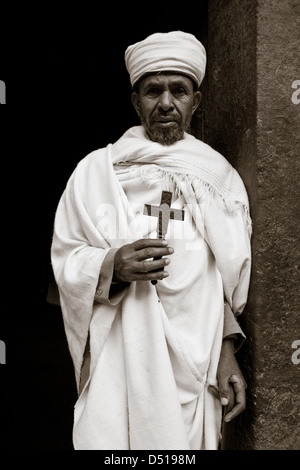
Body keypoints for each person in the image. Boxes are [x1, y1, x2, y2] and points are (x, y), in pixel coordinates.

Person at [51, 31, 252, 450]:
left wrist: (226, 350)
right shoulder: (95, 173)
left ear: (195, 102)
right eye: (152, 91)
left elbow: (222, 278)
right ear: (135, 101)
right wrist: (111, 266)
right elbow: (66, 261)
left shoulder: (219, 180)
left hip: (195, 363)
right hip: (123, 360)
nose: (165, 103)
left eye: (178, 91)